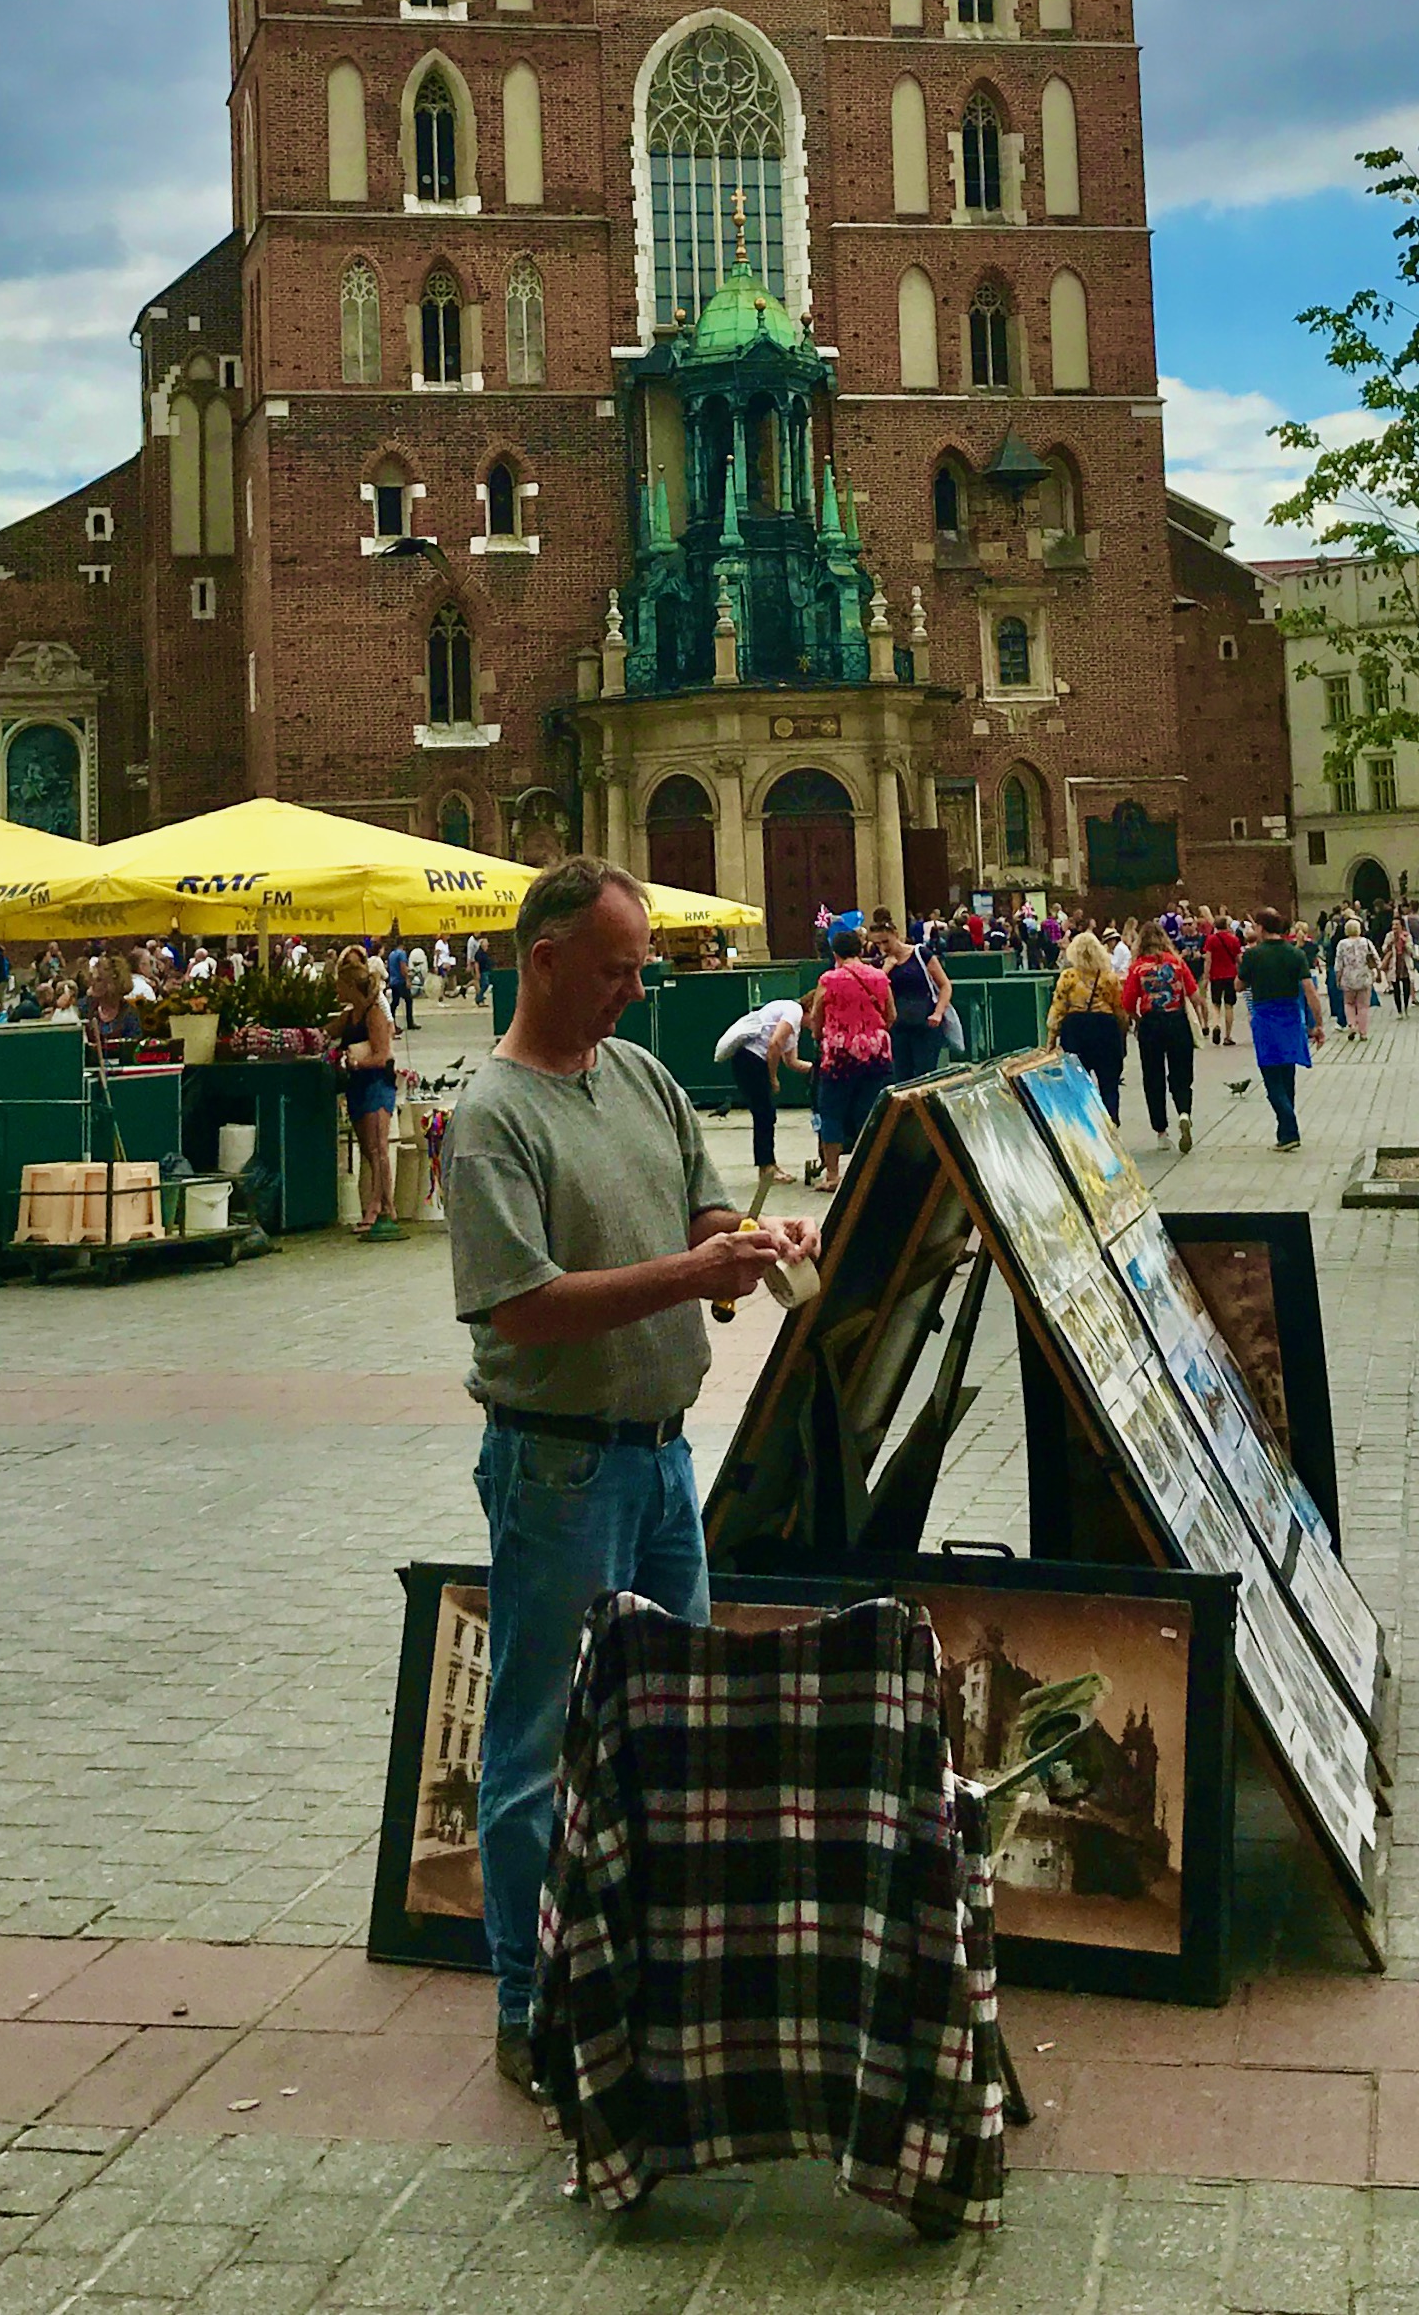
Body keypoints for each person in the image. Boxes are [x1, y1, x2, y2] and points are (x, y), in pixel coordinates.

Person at [443, 855, 813, 2098]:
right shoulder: (493, 1119)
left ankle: (647, 1967)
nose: (634, 991)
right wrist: (685, 1279)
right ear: (544, 962)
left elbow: (702, 1223)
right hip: (558, 1470)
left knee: (672, 1725)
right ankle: (521, 2000)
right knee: (537, 1741)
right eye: (615, 970)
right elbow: (522, 1309)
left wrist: (755, 1243)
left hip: (660, 1461)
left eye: (640, 968)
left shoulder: (643, 1076)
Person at [801, 921, 897, 1189]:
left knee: (831, 1110)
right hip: (877, 1053)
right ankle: (870, 1173)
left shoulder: (829, 980)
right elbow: (891, 1015)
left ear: (835, 954)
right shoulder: (879, 977)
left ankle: (833, 1175)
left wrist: (820, 1035)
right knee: (871, 1112)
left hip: (840, 1054)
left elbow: (817, 1015)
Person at [332, 947, 403, 1241]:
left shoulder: (375, 1013)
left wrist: (356, 1062)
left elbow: (384, 1055)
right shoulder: (349, 1016)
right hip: (358, 1086)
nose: (336, 989)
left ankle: (376, 1208)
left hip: (376, 1083)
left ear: (351, 986)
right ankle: (387, 1206)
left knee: (378, 1148)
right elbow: (324, 1031)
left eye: (339, 985)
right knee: (369, 1150)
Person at [1240, 911, 1325, 1148]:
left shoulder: (1253, 955)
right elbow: (1310, 991)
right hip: (1290, 1016)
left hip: (1265, 1018)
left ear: (1262, 928)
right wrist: (1318, 1024)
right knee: (1287, 1076)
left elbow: (1239, 984)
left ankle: (1289, 1128)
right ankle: (1285, 1133)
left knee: (1271, 1076)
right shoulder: (1295, 953)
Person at [1044, 927, 1131, 1125]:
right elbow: (1120, 1010)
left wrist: (1050, 1040)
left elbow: (1058, 1009)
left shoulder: (1068, 977)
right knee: (1109, 1083)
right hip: (1105, 1028)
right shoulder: (1108, 977)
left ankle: (1084, 1124)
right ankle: (1111, 1121)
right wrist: (1122, 1036)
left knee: (1077, 1083)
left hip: (1075, 1029)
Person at [713, 990, 804, 1176]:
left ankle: (769, 1163)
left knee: (766, 1113)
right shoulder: (795, 1010)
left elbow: (792, 1062)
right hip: (751, 1060)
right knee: (764, 1113)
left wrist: (819, 1069)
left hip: (754, 1061)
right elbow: (774, 1045)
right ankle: (766, 1166)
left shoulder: (796, 1028)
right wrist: (773, 1078)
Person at [1123, 929, 1199, 1149]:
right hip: (1177, 1022)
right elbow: (1195, 995)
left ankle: (1161, 1132)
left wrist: (1138, 1019)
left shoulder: (1137, 967)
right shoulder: (1176, 963)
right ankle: (1184, 1112)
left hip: (1151, 1025)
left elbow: (1127, 1002)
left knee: (1153, 1077)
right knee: (1181, 1073)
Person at [878, 919, 952, 1085]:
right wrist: (885, 970)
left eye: (885, 941)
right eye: (878, 944)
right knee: (900, 1077)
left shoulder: (921, 954)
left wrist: (938, 1013)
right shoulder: (881, 964)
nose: (883, 947)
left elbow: (944, 985)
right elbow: (876, 993)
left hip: (925, 1023)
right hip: (898, 1027)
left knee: (925, 1075)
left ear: (896, 935)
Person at [1201, 912, 1243, 1047]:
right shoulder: (1234, 939)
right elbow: (1238, 959)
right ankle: (1228, 1036)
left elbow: (1208, 959)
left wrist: (1206, 976)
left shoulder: (1211, 939)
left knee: (1215, 1003)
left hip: (1215, 976)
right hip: (1230, 975)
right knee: (1229, 1005)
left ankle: (1216, 1025)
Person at [1333, 921, 1378, 1041]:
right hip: (1364, 977)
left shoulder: (1342, 944)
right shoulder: (1366, 942)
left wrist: (1338, 978)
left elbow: (1338, 964)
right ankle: (1363, 1032)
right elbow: (1376, 958)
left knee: (1349, 1004)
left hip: (1348, 977)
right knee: (1363, 1006)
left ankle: (1352, 1025)